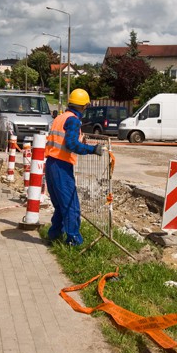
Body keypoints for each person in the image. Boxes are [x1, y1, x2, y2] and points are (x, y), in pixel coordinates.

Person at [44, 88, 105, 246]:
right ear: (84, 106)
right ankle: (74, 241)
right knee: (71, 205)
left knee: (60, 204)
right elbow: (71, 144)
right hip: (61, 165)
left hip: (52, 163)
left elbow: (65, 140)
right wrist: (93, 149)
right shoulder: (73, 120)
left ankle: (54, 234)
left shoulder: (61, 117)